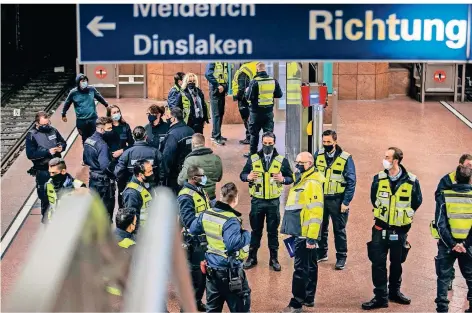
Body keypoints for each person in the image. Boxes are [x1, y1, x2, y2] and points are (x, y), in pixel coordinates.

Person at [362, 147, 423, 310]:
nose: (384, 159)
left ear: (396, 160)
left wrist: (401, 216)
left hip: (400, 230)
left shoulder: (411, 181)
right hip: (380, 228)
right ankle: (380, 296)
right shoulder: (378, 179)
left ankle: (394, 292)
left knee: (397, 263)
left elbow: (417, 201)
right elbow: (374, 199)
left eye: (387, 157)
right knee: (378, 263)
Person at [189, 182, 251, 313]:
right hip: (230, 272)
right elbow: (233, 244)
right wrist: (246, 235)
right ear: (236, 198)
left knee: (212, 309)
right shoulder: (231, 220)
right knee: (240, 308)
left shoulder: (207, 214)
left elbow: (193, 228)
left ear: (220, 195)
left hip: (212, 271)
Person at [240, 132, 293, 271]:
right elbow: (242, 175)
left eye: (270, 143)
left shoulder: (282, 160)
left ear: (274, 143)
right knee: (256, 231)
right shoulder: (253, 159)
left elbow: (290, 178)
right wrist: (248, 176)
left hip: (273, 203)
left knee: (273, 232)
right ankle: (252, 257)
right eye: (265, 143)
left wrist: (283, 180)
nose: (267, 146)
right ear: (261, 143)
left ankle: (274, 259)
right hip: (257, 201)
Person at [280, 152, 325, 313]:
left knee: (300, 269)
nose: (298, 165)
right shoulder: (303, 177)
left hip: (304, 233)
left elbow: (316, 213)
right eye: (297, 161)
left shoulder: (312, 183)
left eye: (301, 162)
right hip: (301, 231)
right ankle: (308, 297)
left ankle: (296, 303)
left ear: (310, 163)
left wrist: (311, 238)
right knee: (310, 265)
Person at [314, 129, 357, 270]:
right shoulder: (318, 155)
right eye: (324, 141)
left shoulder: (345, 158)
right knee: (321, 227)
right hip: (321, 198)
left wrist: (346, 202)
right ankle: (322, 253)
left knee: (339, 230)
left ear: (335, 141)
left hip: (337, 200)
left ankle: (341, 257)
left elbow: (351, 181)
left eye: (329, 142)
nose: (326, 144)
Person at [434, 165, 472, 313]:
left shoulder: (445, 195)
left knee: (443, 278)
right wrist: (465, 244)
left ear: (455, 178)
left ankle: (442, 309)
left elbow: (439, 223)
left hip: (447, 245)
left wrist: (452, 243)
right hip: (468, 246)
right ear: (470, 179)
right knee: (471, 277)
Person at [177, 165, 212, 312]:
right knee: (195, 278)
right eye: (201, 176)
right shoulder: (186, 196)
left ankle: (196, 302)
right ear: (193, 178)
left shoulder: (200, 191)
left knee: (202, 277)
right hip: (194, 242)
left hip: (203, 240)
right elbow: (189, 221)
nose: (204, 178)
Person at [25, 111, 67, 223]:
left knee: (61, 195)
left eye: (47, 123)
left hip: (57, 169)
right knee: (46, 198)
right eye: (43, 125)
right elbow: (30, 154)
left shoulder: (53, 130)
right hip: (43, 171)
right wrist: (47, 152)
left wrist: (61, 147)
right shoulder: (31, 135)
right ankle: (46, 221)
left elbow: (63, 142)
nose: (46, 126)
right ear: (37, 123)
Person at [61, 73, 109, 163]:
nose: (84, 82)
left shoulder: (92, 89)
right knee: (85, 139)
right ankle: (86, 158)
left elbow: (99, 97)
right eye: (82, 81)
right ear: (78, 82)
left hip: (93, 119)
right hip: (81, 121)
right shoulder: (73, 93)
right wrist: (63, 114)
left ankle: (97, 156)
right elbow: (67, 103)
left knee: (97, 137)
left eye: (85, 81)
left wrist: (106, 105)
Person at [243, 62, 283, 158]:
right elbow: (279, 95)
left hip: (256, 113)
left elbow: (248, 97)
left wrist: (246, 91)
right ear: (265, 69)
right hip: (268, 113)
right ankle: (269, 154)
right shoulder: (273, 81)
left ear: (257, 70)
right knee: (268, 134)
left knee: (254, 134)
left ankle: (253, 155)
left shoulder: (254, 82)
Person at [114, 126, 162, 200]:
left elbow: (118, 172)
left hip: (132, 188)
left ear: (133, 137)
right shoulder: (155, 152)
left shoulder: (127, 153)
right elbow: (163, 171)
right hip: (151, 188)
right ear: (146, 137)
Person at [83, 116, 116, 222]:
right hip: (104, 183)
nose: (111, 130)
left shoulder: (88, 141)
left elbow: (85, 160)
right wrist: (114, 175)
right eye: (109, 128)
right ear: (102, 129)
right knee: (106, 212)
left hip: (93, 180)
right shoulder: (102, 145)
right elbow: (105, 166)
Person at [178, 133, 223, 206]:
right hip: (211, 197)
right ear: (204, 143)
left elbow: (180, 181)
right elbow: (219, 178)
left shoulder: (190, 160)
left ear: (192, 144)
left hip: (195, 199)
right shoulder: (216, 158)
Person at [161, 107, 195, 194]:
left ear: (174, 119)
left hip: (175, 175)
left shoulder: (173, 135)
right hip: (190, 171)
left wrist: (164, 174)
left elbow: (167, 157)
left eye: (168, 116)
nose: (166, 119)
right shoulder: (191, 131)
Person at [106, 104, 134, 205]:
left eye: (118, 111)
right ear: (109, 115)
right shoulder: (107, 128)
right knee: (110, 192)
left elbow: (131, 144)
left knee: (122, 189)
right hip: (111, 163)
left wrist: (122, 151)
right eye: (114, 112)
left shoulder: (125, 126)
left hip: (123, 162)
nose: (117, 114)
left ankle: (122, 209)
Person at [45, 157, 87, 222]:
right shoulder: (48, 185)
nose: (51, 175)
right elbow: (49, 205)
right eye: (50, 172)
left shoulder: (79, 186)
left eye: (54, 173)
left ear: (63, 171)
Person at [122, 160, 154, 231]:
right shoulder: (131, 193)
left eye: (152, 170)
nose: (152, 173)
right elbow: (132, 218)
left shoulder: (145, 183)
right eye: (149, 172)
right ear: (140, 174)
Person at [232, 62, 258, 145]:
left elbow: (242, 88)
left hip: (244, 100)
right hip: (254, 99)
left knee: (247, 119)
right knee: (252, 120)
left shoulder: (244, 69)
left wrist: (238, 97)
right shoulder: (255, 65)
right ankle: (250, 137)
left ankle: (250, 138)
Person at [205, 62, 230, 146]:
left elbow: (226, 76)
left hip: (222, 89)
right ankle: (216, 137)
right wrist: (217, 85)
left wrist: (225, 89)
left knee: (221, 113)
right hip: (215, 89)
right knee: (216, 114)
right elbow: (208, 74)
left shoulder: (224, 62)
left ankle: (215, 134)